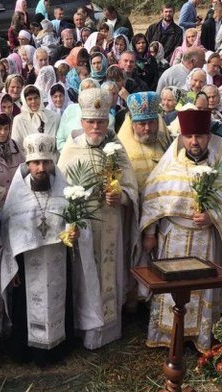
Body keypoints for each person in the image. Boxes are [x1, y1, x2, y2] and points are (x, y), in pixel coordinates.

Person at [141, 109, 222, 351]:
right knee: (170, 287)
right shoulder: (170, 166)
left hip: (205, 238)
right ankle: (166, 337)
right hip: (173, 237)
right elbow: (153, 199)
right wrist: (150, 233)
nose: (194, 142)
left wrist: (213, 216)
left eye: (199, 136)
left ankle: (199, 337)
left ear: (209, 137)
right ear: (181, 137)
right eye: (189, 136)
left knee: (202, 288)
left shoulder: (219, 167)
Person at [57, 88, 139, 349]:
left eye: (101, 122)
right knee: (85, 276)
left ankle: (109, 329)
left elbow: (131, 187)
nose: (96, 127)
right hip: (84, 226)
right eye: (91, 122)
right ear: (82, 122)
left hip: (111, 221)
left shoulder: (116, 147)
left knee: (109, 273)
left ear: (107, 122)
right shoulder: (72, 148)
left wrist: (122, 197)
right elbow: (61, 190)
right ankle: (85, 330)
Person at [0, 132, 78, 364]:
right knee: (26, 307)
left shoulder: (64, 190)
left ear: (52, 163)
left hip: (57, 260)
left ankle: (58, 349)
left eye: (45, 162)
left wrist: (74, 232)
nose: (40, 168)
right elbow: (9, 230)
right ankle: (28, 352)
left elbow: (73, 221)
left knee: (58, 300)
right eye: (35, 163)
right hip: (27, 264)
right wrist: (12, 266)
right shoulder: (18, 195)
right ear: (28, 165)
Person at [117, 92, 171, 193]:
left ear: (158, 122)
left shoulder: (165, 143)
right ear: (133, 125)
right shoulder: (123, 150)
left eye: (151, 123)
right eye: (142, 124)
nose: (147, 128)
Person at [11, 85, 60, 150]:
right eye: (29, 99)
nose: (33, 101)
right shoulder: (18, 120)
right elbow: (17, 146)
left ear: (40, 98)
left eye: (36, 98)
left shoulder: (54, 117)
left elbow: (59, 142)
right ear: (24, 101)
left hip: (52, 158)